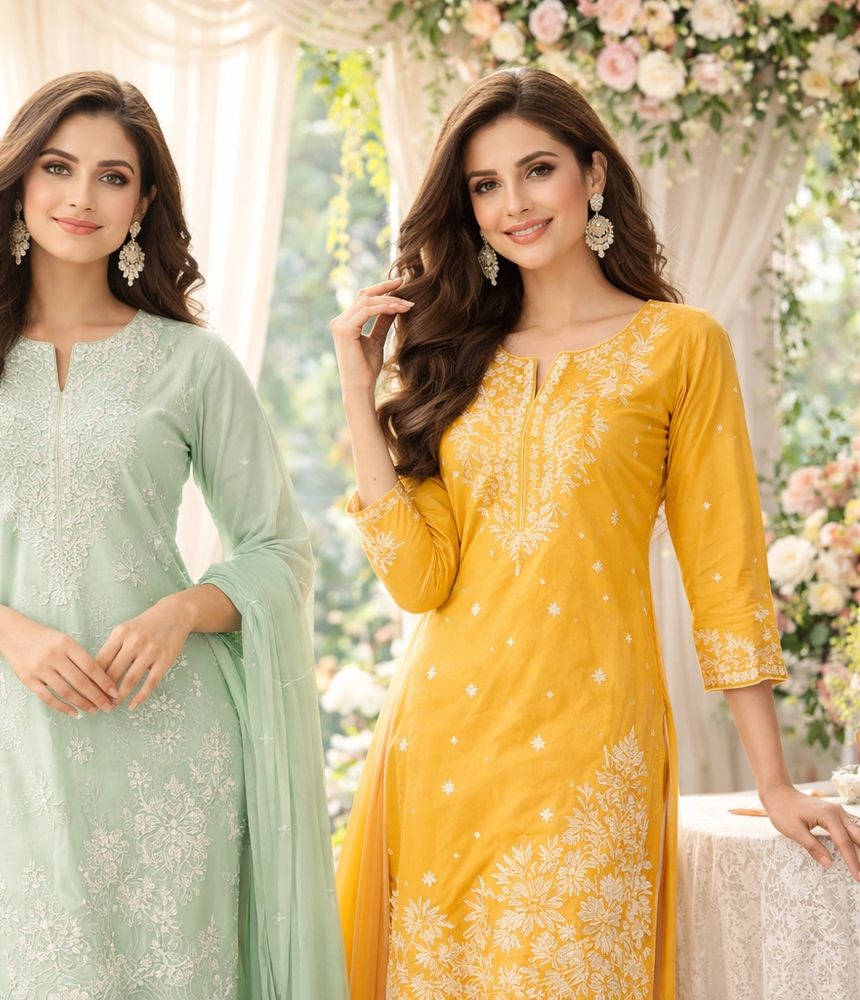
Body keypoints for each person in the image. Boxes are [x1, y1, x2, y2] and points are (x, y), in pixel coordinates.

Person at [331, 66, 859, 999]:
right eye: (486, 185)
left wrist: (775, 779)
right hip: (445, 744)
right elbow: (419, 582)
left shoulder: (680, 345)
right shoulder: (454, 361)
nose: (514, 204)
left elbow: (724, 568)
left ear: (595, 173)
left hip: (595, 746)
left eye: (537, 170)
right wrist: (358, 390)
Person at [0, 71, 346, 998]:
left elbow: (279, 550)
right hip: (2, 743)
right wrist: (11, 632)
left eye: (112, 176)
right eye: (58, 167)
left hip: (168, 747)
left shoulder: (192, 363)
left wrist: (183, 612)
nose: (81, 196)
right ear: (19, 179)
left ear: (144, 203)